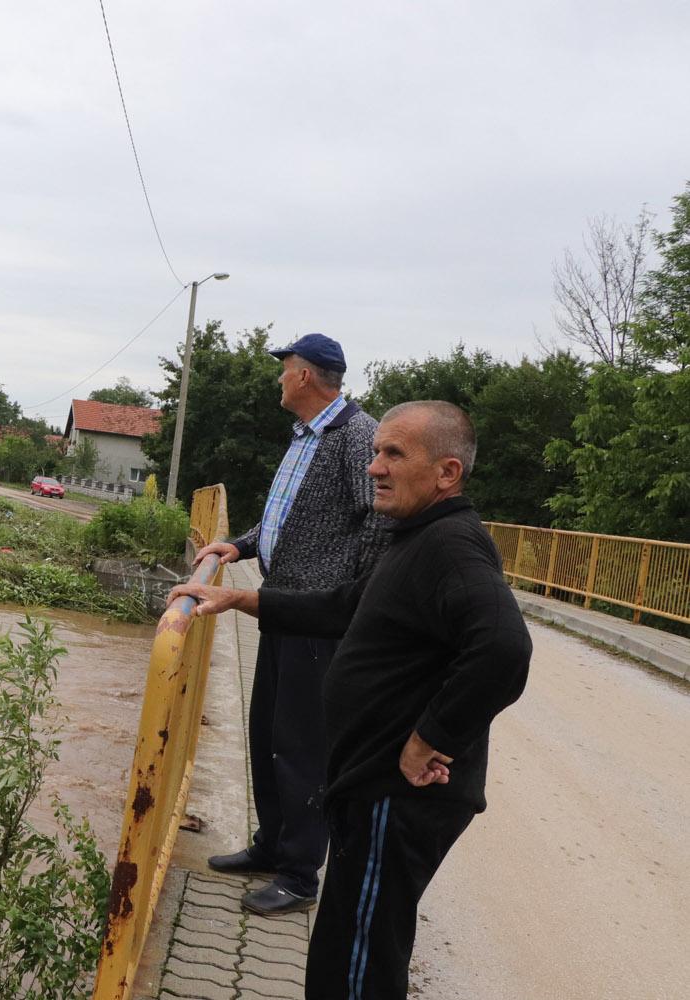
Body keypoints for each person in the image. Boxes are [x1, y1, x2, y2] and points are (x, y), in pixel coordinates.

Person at [171, 400, 531, 1000]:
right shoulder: (413, 536)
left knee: (362, 954)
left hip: (399, 795)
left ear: (447, 473)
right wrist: (240, 601)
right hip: (370, 788)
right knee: (345, 940)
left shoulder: (452, 546)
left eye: (394, 454)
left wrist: (430, 739)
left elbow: (503, 651)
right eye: (375, 452)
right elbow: (343, 605)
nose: (374, 467)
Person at [194, 333, 384, 916]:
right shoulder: (306, 435)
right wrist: (239, 545)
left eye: (284, 371)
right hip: (281, 607)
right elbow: (284, 517)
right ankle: (271, 846)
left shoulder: (357, 436)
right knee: (269, 734)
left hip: (318, 619)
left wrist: (346, 593)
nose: (278, 380)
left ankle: (301, 874)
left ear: (304, 376)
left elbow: (377, 518)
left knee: (302, 745)